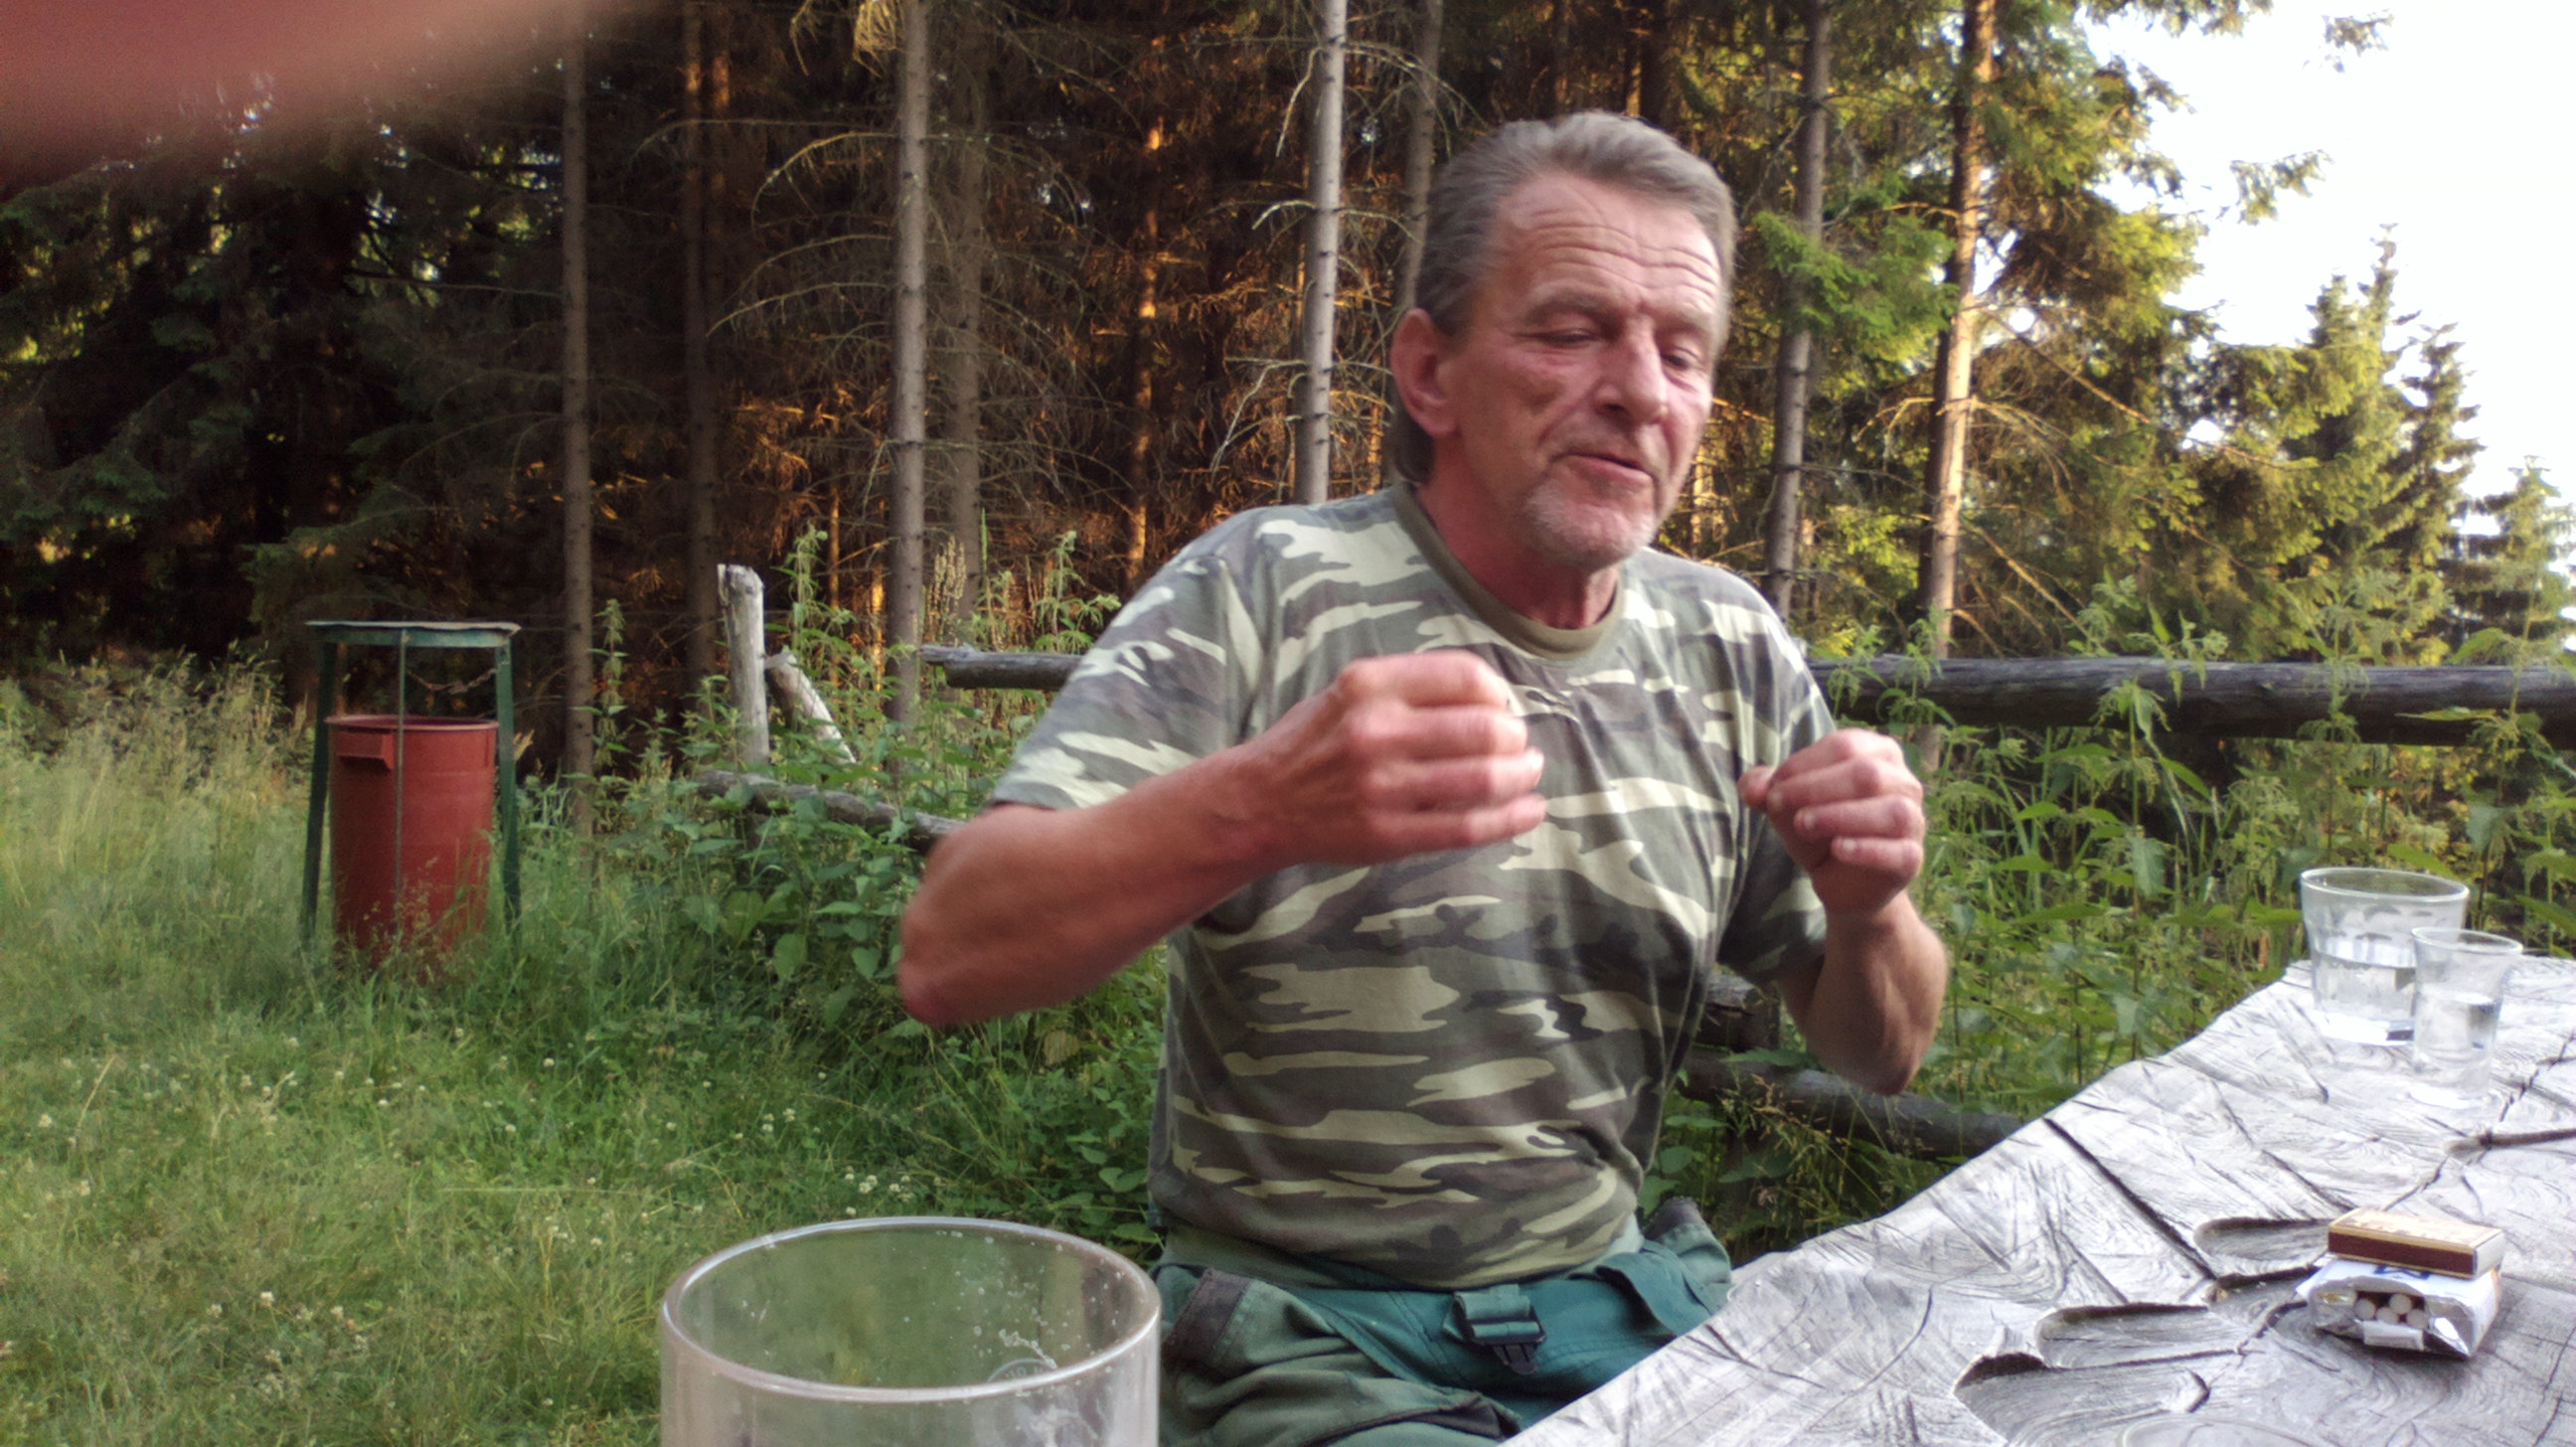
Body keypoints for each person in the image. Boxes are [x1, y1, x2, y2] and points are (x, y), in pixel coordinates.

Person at [896, 111, 1948, 1445]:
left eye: (1682, 352)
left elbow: (1882, 1052)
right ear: (1429, 373)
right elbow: (949, 956)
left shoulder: (1731, 646)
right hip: (1303, 1338)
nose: (1639, 389)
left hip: (1616, 1308)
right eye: (1572, 331)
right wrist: (1262, 805)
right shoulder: (1264, 587)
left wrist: (1871, 907)